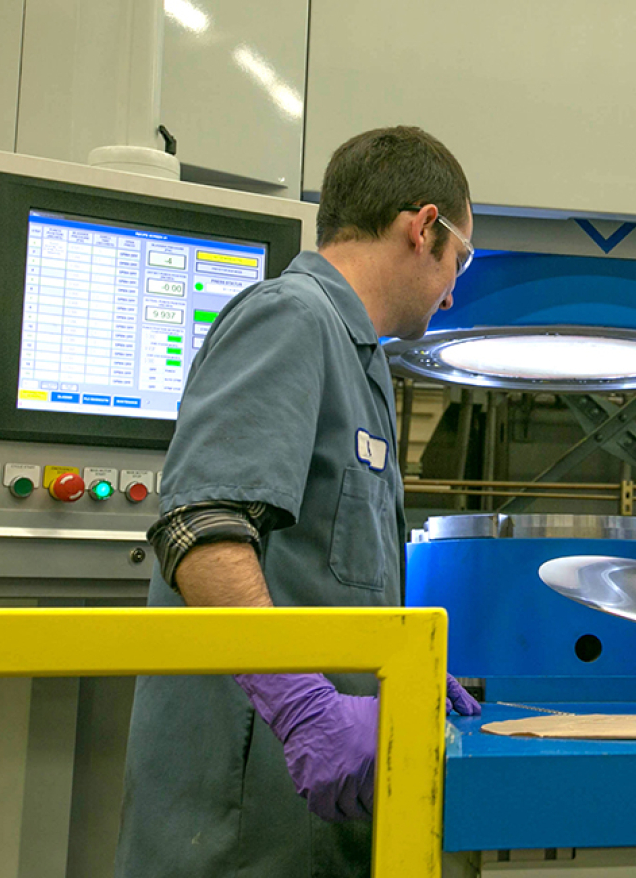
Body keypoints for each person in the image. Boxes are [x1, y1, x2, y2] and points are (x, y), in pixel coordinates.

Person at [115, 126, 481, 878]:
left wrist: (387, 667)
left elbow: (320, 567)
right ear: (423, 228)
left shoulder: (361, 362)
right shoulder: (291, 316)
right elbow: (200, 530)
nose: (454, 291)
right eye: (461, 259)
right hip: (239, 827)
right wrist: (304, 705)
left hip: (312, 824)